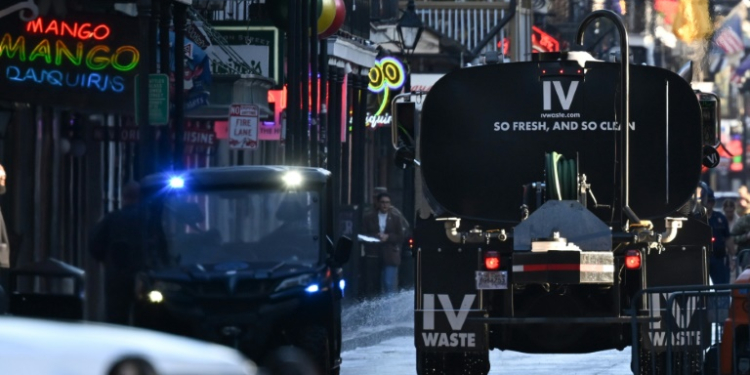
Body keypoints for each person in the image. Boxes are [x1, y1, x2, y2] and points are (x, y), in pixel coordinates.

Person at [88, 181, 144, 325]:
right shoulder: (147, 219)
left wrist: (106, 261)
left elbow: (95, 243)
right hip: (144, 275)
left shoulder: (112, 219)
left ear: (123, 197)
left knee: (116, 316)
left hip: (116, 273)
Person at [362, 193, 404, 296]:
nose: (385, 205)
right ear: (378, 203)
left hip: (390, 254)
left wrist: (388, 237)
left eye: (387, 202)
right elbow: (363, 234)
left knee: (388, 282)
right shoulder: (369, 217)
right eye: (382, 202)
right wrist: (376, 236)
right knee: (374, 284)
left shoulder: (395, 217)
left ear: (390, 204)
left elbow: (401, 236)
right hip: (373, 254)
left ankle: (388, 309)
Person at [704, 190, 731, 285]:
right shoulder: (697, 218)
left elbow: (728, 238)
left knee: (720, 285)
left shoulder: (720, 218)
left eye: (710, 201)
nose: (709, 204)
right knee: (700, 287)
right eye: (706, 201)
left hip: (718, 257)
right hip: (701, 258)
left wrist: (732, 257)